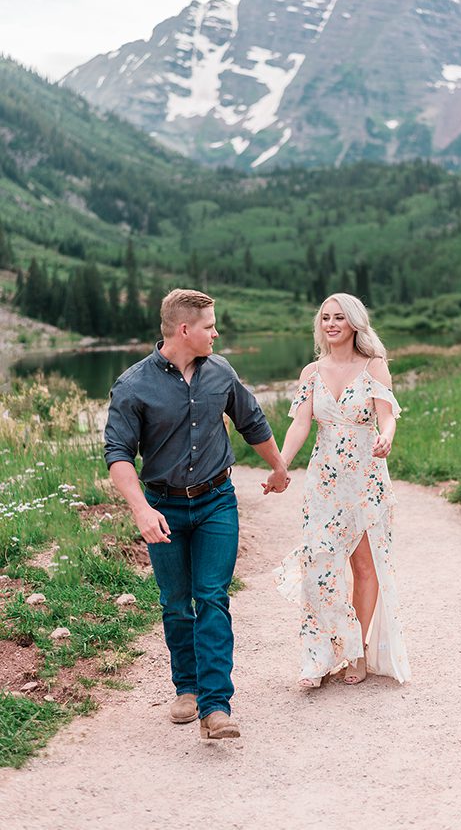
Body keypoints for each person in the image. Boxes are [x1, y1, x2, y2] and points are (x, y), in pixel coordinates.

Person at [104, 289, 290, 740]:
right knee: (175, 603)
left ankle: (215, 705)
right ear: (184, 330)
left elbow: (252, 422)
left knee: (211, 596)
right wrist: (141, 509)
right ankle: (185, 687)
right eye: (209, 326)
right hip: (163, 506)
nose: (216, 332)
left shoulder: (221, 371)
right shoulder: (132, 386)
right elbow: (118, 455)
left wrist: (278, 466)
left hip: (216, 502)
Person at [272, 293, 411, 688]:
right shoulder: (311, 372)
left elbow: (388, 418)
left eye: (339, 318)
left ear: (353, 323)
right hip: (324, 480)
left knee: (363, 567)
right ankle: (320, 656)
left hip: (366, 478)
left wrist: (385, 437)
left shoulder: (374, 367)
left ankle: (358, 651)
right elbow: (300, 424)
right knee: (319, 567)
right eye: (325, 318)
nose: (331, 324)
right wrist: (281, 464)